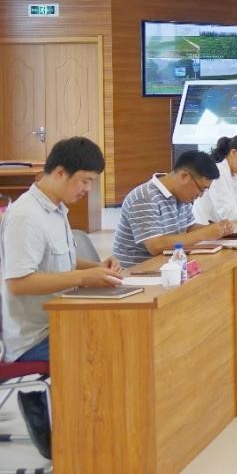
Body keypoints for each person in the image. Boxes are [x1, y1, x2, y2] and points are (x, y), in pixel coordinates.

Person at [1, 137, 124, 459]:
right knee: (106, 353)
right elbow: (19, 283)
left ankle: (100, 435)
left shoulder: (55, 209)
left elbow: (61, 263)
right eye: (84, 181)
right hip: (33, 337)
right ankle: (76, 441)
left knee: (122, 336)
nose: (87, 189)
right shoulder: (27, 216)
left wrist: (96, 267)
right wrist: (84, 278)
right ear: (59, 172)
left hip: (60, 318)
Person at [112, 151, 233, 269]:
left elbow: (189, 228)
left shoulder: (181, 196)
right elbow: (156, 246)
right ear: (184, 176)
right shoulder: (144, 198)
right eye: (201, 189)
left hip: (170, 265)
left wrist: (218, 229)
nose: (200, 195)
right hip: (139, 272)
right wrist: (204, 234)